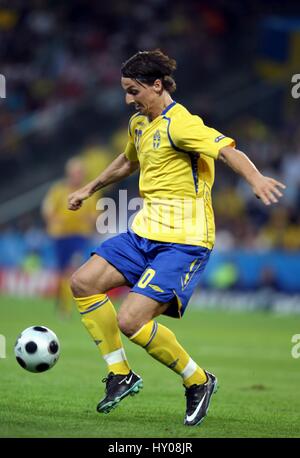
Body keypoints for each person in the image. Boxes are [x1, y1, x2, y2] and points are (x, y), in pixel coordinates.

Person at [68, 50, 285, 426]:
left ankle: (199, 380)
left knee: (131, 321)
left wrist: (256, 179)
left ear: (157, 85)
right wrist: (89, 188)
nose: (128, 99)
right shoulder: (140, 124)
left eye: (134, 90)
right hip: (144, 233)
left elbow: (227, 150)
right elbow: (127, 160)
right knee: (83, 282)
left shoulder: (181, 124)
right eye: (124, 91)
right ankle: (120, 374)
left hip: (184, 241)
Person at [42, 157, 98, 317]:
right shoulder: (58, 190)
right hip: (60, 236)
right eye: (75, 172)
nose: (78, 175)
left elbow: (95, 213)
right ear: (69, 174)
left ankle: (66, 307)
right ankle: (62, 303)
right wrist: (54, 221)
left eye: (80, 172)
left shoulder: (89, 192)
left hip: (79, 236)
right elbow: (47, 209)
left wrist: (90, 220)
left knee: (70, 269)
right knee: (62, 272)